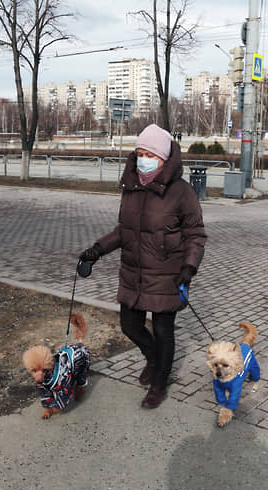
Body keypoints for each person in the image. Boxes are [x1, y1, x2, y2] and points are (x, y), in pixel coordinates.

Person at [80, 124, 207, 409]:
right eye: (139, 152)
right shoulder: (132, 186)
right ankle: (153, 359)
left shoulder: (181, 192)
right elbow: (124, 230)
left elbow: (196, 235)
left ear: (163, 158)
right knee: (129, 325)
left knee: (164, 332)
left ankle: (160, 383)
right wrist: (97, 250)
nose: (143, 158)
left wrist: (188, 268)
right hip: (133, 274)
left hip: (167, 275)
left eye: (149, 153)